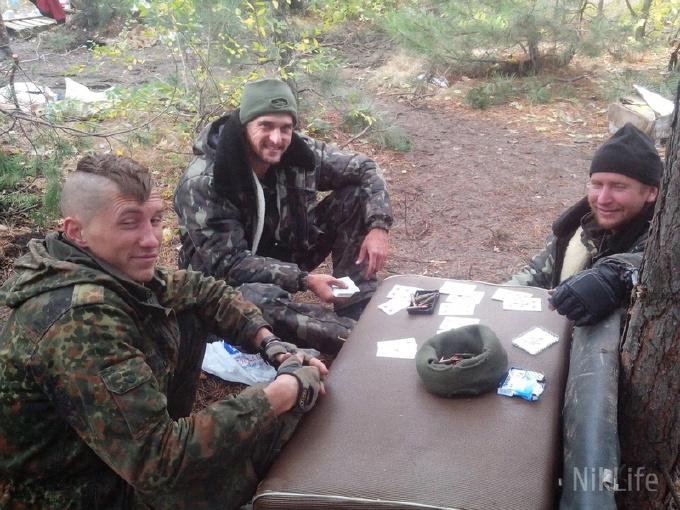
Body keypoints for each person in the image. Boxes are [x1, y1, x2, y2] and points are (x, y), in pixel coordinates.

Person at [0, 154, 328, 510]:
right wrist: (279, 394)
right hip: (76, 494)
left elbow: (205, 292)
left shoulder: (105, 268)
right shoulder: (79, 318)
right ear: (77, 232)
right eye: (129, 223)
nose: (151, 239)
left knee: (191, 312)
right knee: (276, 427)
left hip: (116, 460)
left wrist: (272, 346)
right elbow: (157, 461)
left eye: (156, 220)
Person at [173, 78, 393, 355]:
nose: (276, 139)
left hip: (283, 253)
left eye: (285, 128)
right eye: (265, 126)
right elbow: (228, 264)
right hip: (224, 287)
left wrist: (378, 227)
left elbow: (365, 168)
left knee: (355, 196)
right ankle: (357, 336)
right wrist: (304, 280)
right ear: (245, 126)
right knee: (256, 302)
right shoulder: (205, 181)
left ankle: (357, 304)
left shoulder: (297, 153)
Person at [505, 123, 663, 326]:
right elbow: (537, 275)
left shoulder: (664, 236)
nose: (603, 199)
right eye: (597, 184)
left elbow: (656, 262)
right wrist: (493, 299)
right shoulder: (577, 230)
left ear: (651, 192)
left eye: (619, 187)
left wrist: (613, 277)